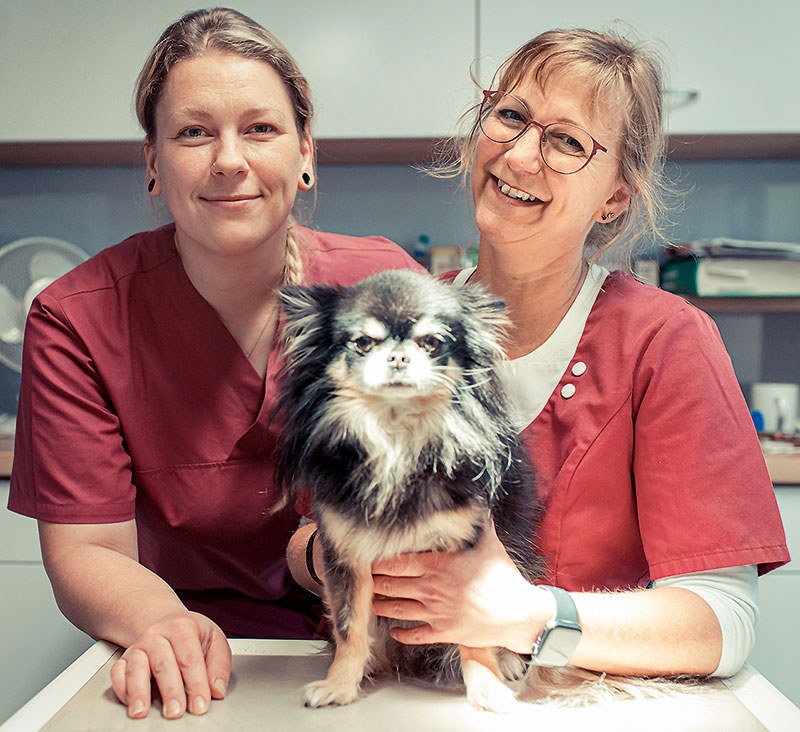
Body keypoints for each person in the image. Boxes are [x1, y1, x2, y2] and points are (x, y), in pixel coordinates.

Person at [288, 28, 790, 684]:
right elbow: (303, 537)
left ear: (615, 196)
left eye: (568, 141)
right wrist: (338, 555)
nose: (521, 156)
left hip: (585, 705)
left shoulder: (666, 342)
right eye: (511, 116)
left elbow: (724, 624)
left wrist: (524, 614)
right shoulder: (391, 334)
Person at [8, 7, 421, 722]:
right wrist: (159, 625)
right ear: (153, 164)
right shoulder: (78, 317)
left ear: (306, 152)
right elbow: (87, 549)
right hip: (198, 649)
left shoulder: (384, 288)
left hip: (382, 640)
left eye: (259, 128)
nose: (229, 159)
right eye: (194, 132)